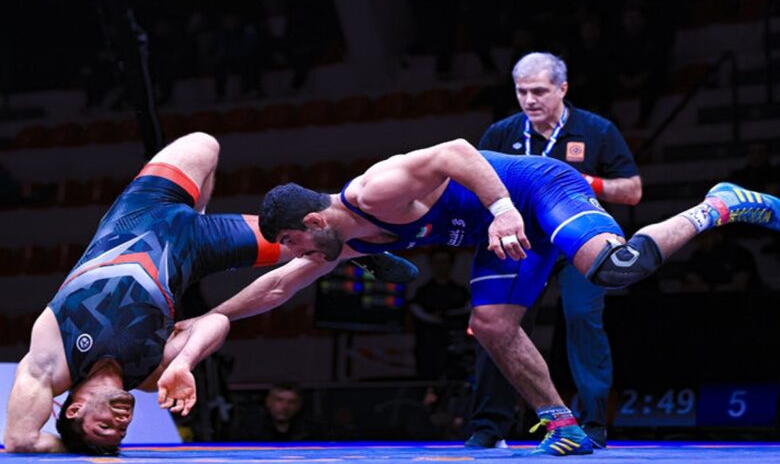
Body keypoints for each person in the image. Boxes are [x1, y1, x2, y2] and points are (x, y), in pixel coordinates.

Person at [181, 136, 780, 456]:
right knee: (492, 323)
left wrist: (501, 209)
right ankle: (563, 424)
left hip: (533, 191)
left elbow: (458, 152)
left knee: (614, 270)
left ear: (312, 220)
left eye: (291, 241)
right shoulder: (344, 242)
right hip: (503, 230)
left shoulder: (375, 190)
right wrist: (211, 316)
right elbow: (278, 285)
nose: (293, 253)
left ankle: (718, 205)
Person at [3, 132, 416, 455]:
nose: (121, 423)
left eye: (104, 427)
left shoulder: (53, 360)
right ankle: (359, 252)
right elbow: (217, 321)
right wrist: (184, 361)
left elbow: (20, 440)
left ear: (74, 409)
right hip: (198, 249)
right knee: (320, 239)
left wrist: (72, 449)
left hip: (140, 211)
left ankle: (203, 211)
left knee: (204, 144)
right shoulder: (151, 376)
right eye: (121, 432)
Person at [466, 52, 641, 450]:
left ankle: (593, 424)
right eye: (522, 91)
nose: (529, 100)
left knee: (582, 318)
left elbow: (632, 191)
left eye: (539, 91)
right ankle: (489, 426)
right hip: (522, 243)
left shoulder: (595, 130)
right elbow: (474, 183)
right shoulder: (501, 132)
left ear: (562, 88)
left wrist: (582, 181)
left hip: (577, 242)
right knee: (499, 326)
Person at [409, 248, 470, 380]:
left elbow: (467, 312)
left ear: (451, 264)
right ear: (431, 264)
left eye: (444, 262)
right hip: (428, 345)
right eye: (436, 262)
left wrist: (446, 316)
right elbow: (416, 312)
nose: (440, 266)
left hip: (455, 345)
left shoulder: (460, 292)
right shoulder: (423, 292)